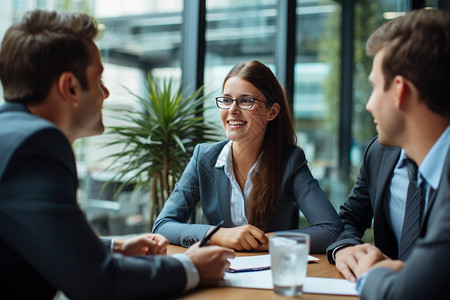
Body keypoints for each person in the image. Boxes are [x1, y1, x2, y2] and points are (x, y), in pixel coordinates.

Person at [0, 9, 234, 299]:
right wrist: (191, 267)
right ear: (70, 87)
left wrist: (110, 247)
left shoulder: (11, 135)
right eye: (98, 77)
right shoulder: (36, 146)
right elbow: (96, 283)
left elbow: (37, 236)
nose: (106, 93)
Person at [153, 60, 342, 253]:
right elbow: (163, 225)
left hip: (271, 276)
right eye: (226, 100)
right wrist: (218, 235)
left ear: (272, 112)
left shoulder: (290, 161)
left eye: (245, 101)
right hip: (219, 272)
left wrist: (262, 242)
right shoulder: (204, 158)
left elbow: (329, 230)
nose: (232, 110)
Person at [343, 8, 450, 299]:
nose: (369, 105)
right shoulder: (379, 153)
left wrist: (372, 273)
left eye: (375, 87)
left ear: (399, 90)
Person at [326, 137, 406, 282]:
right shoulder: (378, 150)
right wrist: (346, 247)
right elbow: (350, 217)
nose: (369, 111)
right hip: (384, 286)